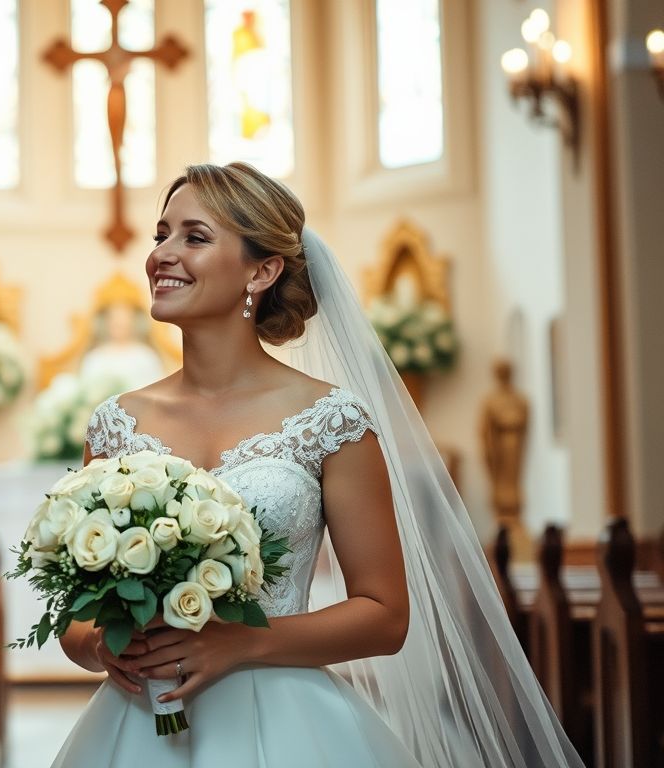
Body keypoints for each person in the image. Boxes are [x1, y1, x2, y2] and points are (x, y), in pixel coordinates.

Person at [52, 163, 582, 766]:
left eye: (194, 237)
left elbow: (384, 617)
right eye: (161, 235)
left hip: (286, 720)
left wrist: (240, 642)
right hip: (138, 723)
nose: (162, 255)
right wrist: (104, 646)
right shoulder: (115, 423)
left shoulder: (332, 420)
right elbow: (76, 619)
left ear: (263, 269)